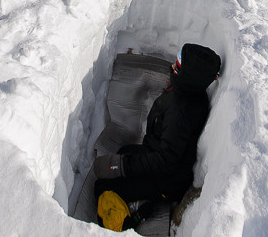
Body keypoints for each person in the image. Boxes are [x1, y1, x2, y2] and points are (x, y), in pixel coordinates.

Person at [93, 44, 222, 232]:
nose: (173, 66)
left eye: (179, 63)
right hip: (159, 155)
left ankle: (129, 221)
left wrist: (121, 166)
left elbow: (166, 161)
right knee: (123, 152)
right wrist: (122, 161)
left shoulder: (180, 111)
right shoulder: (190, 92)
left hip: (167, 180)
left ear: (191, 75)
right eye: (177, 58)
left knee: (103, 185)